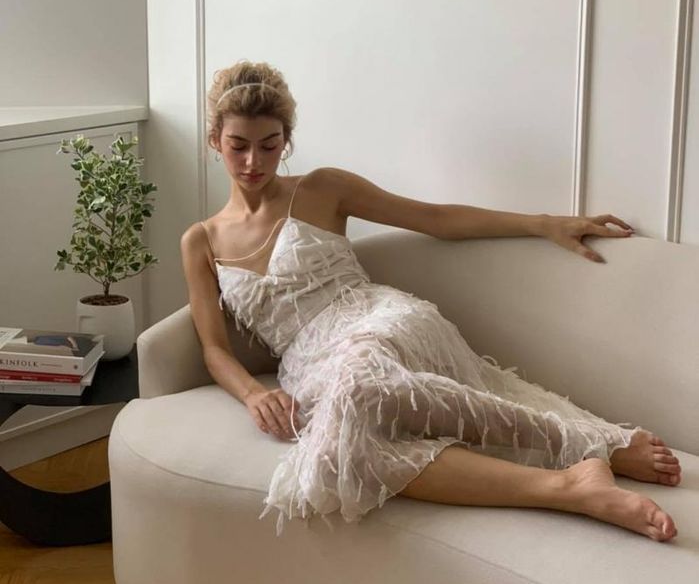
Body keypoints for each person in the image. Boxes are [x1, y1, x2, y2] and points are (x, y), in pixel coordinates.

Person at [181, 60, 682, 541]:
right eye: (238, 146)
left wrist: (545, 224)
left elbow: (435, 218)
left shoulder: (323, 188)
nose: (253, 162)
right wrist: (254, 394)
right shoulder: (200, 241)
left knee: (358, 388)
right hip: (308, 362)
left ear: (286, 141)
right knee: (343, 448)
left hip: (377, 319)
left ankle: (593, 446)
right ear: (214, 141)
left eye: (269, 146)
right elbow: (214, 349)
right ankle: (568, 487)